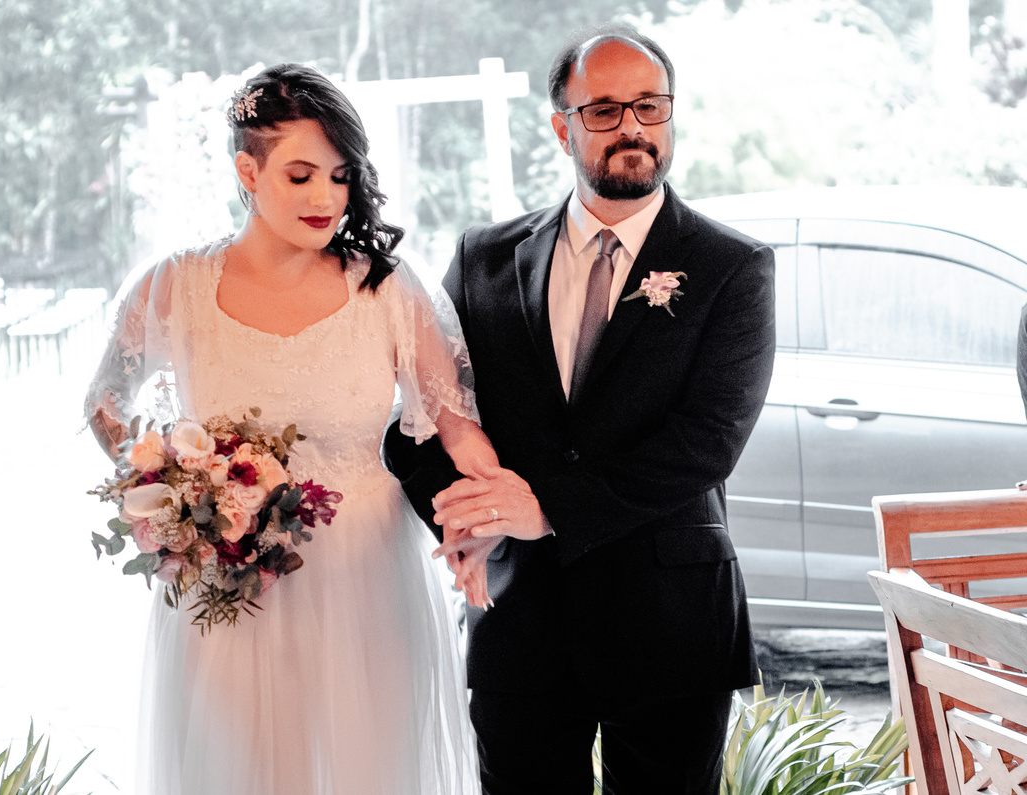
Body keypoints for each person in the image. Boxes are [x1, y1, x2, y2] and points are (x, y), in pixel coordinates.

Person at [384, 22, 777, 795]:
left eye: (649, 106)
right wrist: (466, 519)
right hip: (519, 617)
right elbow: (420, 419)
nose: (631, 127)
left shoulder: (733, 267)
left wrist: (544, 507)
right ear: (560, 123)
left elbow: (708, 441)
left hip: (670, 624)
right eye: (603, 109)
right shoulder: (483, 259)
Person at [84, 63, 488, 795]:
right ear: (248, 168)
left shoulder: (387, 290)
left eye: (340, 176)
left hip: (367, 585)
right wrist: (172, 491)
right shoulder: (175, 285)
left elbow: (459, 432)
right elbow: (105, 402)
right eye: (301, 174)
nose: (327, 198)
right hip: (228, 595)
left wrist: (480, 521)